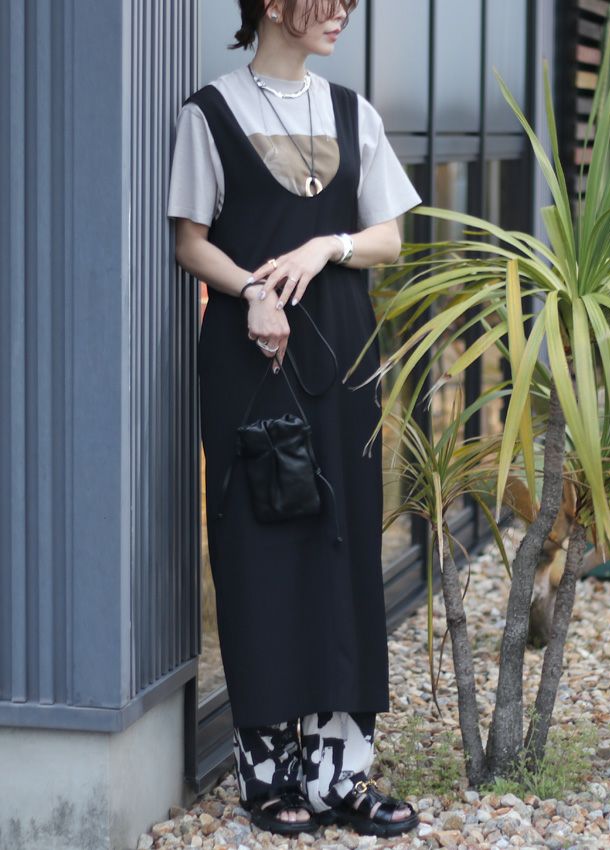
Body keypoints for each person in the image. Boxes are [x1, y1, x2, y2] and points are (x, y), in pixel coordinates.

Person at [167, 0, 421, 838]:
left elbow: (388, 235)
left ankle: (341, 774)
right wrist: (251, 289)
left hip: (342, 354)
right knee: (261, 547)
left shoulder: (352, 111)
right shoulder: (210, 113)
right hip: (252, 356)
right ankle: (270, 773)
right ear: (273, 4)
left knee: (344, 546)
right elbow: (190, 241)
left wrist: (327, 246)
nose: (343, 10)